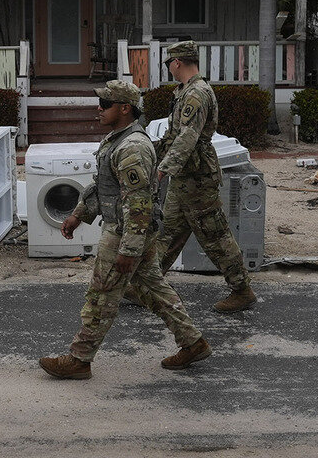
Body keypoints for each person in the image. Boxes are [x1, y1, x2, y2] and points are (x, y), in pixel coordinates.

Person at [39, 80, 210, 379]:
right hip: (131, 230)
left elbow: (139, 202)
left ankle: (79, 360)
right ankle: (193, 342)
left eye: (105, 104)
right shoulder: (117, 139)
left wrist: (128, 249)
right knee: (154, 289)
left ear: (125, 108)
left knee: (101, 295)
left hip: (125, 232)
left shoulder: (132, 147)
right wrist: (79, 214)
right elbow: (106, 187)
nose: (99, 109)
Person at [152, 41, 257, 313]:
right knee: (168, 231)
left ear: (177, 63)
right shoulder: (187, 91)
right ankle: (147, 284)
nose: (169, 69)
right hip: (185, 176)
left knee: (214, 235)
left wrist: (165, 167)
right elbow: (175, 134)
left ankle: (241, 290)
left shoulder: (196, 94)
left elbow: (188, 137)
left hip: (196, 177)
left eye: (169, 63)